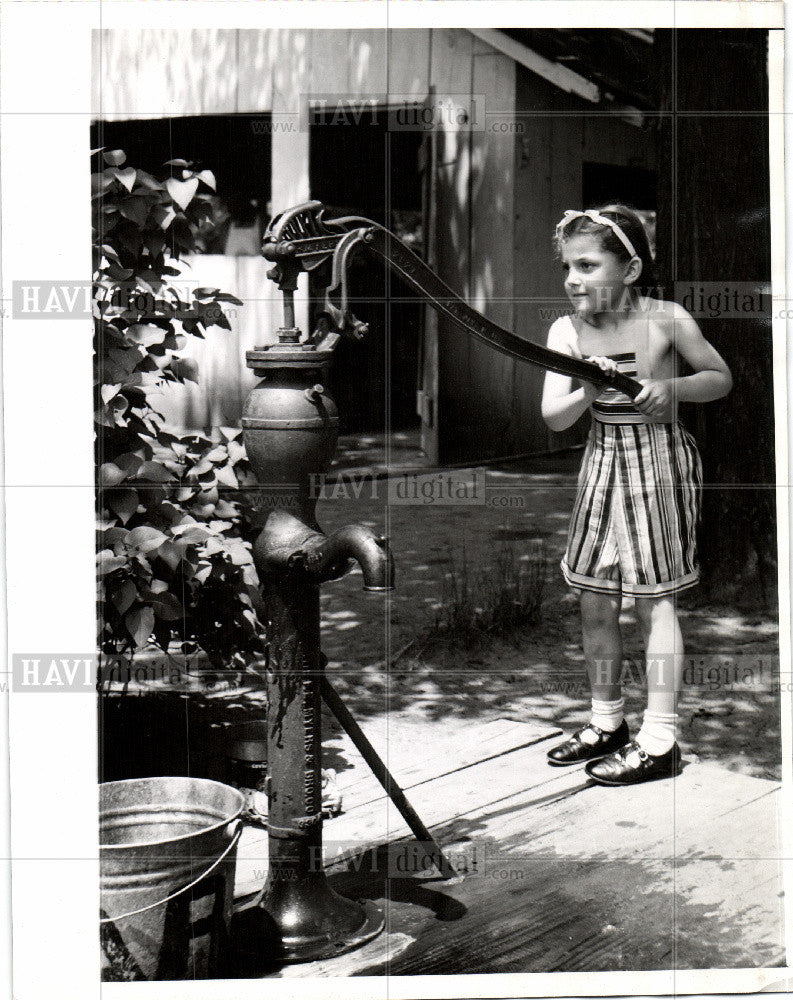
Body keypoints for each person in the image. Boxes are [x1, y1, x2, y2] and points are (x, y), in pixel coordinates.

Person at [541, 206, 732, 785]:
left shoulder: (666, 318)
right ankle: (607, 723)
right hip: (602, 460)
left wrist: (669, 386)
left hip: (658, 461)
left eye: (588, 264)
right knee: (596, 599)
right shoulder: (565, 332)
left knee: (656, 601)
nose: (573, 277)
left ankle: (660, 739)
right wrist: (588, 389)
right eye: (567, 266)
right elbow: (553, 416)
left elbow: (719, 378)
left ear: (629, 269)